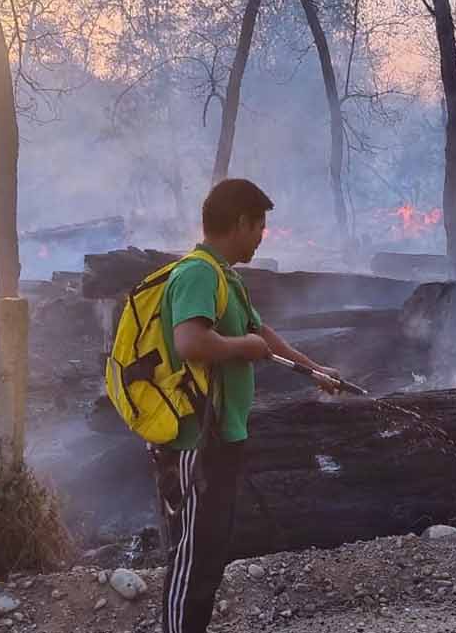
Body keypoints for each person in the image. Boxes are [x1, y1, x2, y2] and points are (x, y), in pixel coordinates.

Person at [154, 178, 339, 633]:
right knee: (193, 560)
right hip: (194, 440)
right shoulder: (197, 273)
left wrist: (314, 369)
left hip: (220, 436)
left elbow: (262, 334)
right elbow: (191, 342)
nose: (262, 237)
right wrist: (243, 348)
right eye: (260, 227)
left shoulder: (224, 277)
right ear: (240, 223)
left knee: (210, 554)